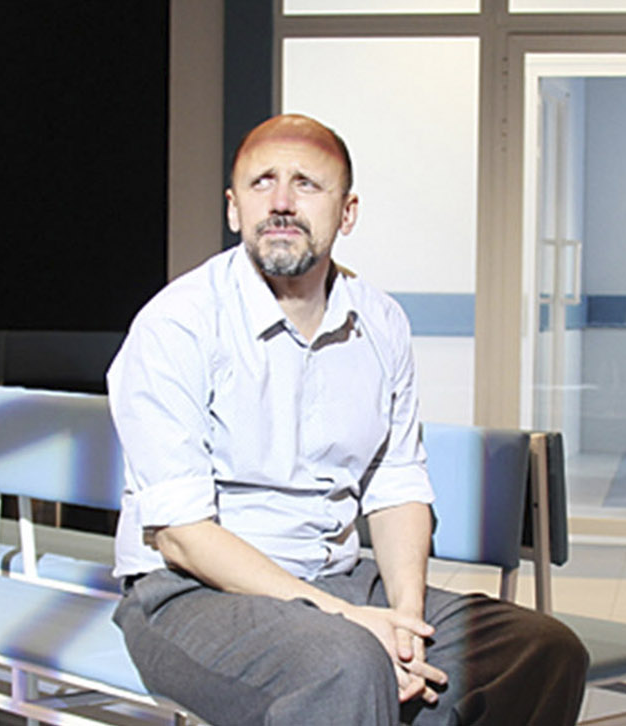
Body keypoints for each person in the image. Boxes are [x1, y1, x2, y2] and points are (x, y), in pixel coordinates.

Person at [107, 113, 589, 726]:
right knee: (347, 664)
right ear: (233, 209)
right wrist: (348, 621)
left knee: (543, 649)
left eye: (307, 183)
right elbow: (182, 534)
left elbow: (396, 486)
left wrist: (406, 623)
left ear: (348, 212)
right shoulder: (177, 324)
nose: (281, 203)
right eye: (261, 183)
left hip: (337, 578)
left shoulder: (380, 322)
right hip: (189, 594)